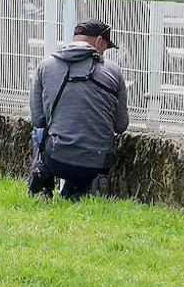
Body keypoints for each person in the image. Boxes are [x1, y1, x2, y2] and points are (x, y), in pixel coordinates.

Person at [28, 20, 128, 201]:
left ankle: (42, 182)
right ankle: (86, 188)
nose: (104, 54)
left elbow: (38, 120)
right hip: (97, 163)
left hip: (56, 158)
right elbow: (121, 126)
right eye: (105, 49)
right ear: (98, 42)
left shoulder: (46, 65)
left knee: (40, 131)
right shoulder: (114, 71)